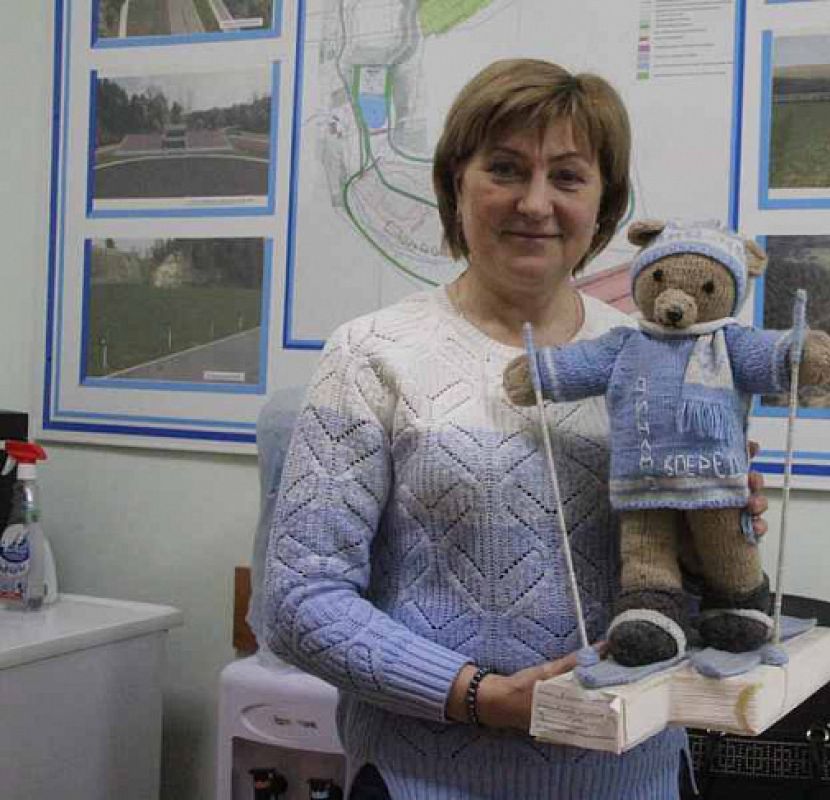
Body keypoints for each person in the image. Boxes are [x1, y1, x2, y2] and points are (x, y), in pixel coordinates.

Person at [261, 58, 769, 800]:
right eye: (504, 169)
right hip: (425, 780)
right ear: (455, 184)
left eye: (567, 177)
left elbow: (664, 585)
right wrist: (480, 697)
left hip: (638, 778)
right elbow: (299, 603)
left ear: (604, 204)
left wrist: (712, 530)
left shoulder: (658, 359)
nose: (535, 203)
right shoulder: (370, 356)